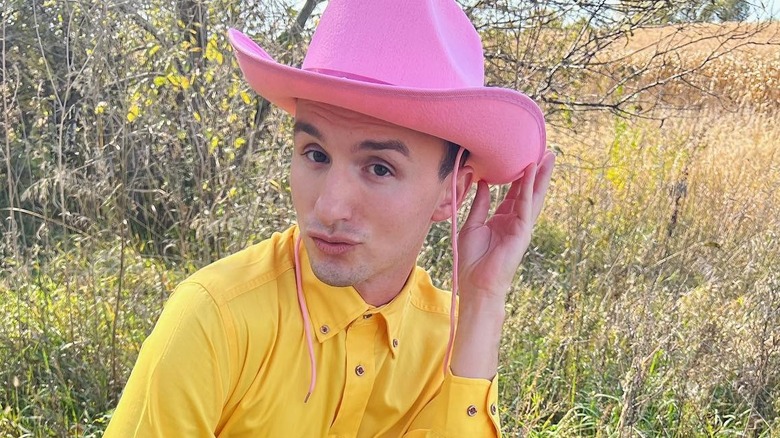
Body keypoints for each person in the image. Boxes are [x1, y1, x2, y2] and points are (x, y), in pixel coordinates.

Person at [104, 0, 555, 436]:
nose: (328, 208)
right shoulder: (217, 319)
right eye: (315, 155)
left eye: (379, 167)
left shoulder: (450, 340)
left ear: (451, 193)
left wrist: (483, 302)